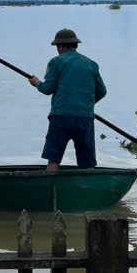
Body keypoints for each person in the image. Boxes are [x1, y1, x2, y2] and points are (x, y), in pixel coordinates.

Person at [28, 28, 107, 171]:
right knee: (87, 164)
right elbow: (102, 91)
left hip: (60, 118)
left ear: (61, 46)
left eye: (57, 47)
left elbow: (47, 89)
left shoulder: (56, 62)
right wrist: (85, 104)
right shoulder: (91, 64)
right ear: (75, 45)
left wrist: (37, 83)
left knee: (54, 160)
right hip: (85, 118)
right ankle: (87, 190)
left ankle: (49, 187)